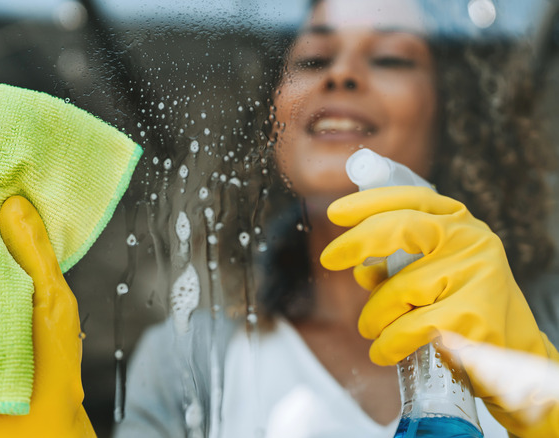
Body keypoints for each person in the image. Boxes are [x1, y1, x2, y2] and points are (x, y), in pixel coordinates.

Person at [115, 0, 559, 437]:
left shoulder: (545, 319)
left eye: (390, 58)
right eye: (313, 59)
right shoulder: (186, 361)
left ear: (450, 112)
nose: (341, 74)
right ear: (274, 115)